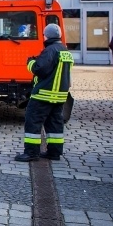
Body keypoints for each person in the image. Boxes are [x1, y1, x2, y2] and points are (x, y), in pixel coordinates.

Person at [14, 23, 74, 162]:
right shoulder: (65, 51)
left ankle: (31, 153)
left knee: (33, 122)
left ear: (47, 36)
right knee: (54, 124)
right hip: (60, 96)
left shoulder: (50, 50)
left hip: (43, 94)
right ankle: (54, 152)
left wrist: (31, 62)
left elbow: (39, 69)